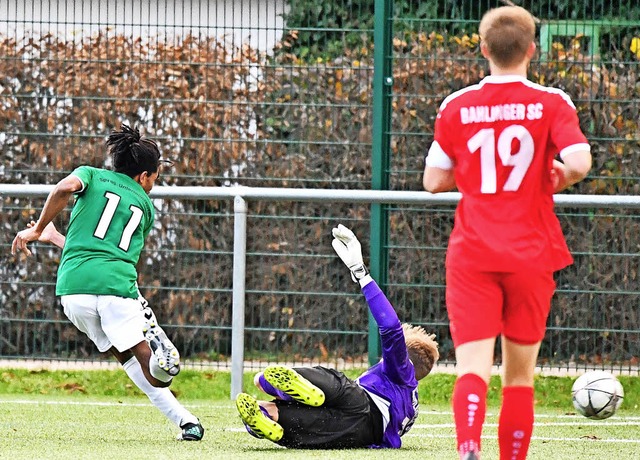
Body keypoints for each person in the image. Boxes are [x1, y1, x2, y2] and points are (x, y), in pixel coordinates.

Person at [422, 6, 592, 460]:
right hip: (532, 252)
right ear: (532, 50)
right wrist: (554, 175)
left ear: (483, 49)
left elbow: (433, 180)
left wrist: (476, 173)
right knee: (519, 376)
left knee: (471, 367)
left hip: (473, 253)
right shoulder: (552, 102)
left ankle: (468, 447)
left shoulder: (456, 105)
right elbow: (578, 161)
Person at [11, 124, 204, 441]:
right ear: (143, 177)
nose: (154, 184)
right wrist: (42, 231)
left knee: (124, 357)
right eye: (155, 177)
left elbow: (63, 192)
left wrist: (43, 230)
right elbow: (111, 254)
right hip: (117, 291)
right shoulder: (144, 206)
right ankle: (162, 362)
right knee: (155, 374)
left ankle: (186, 422)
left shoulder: (90, 175)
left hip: (74, 293)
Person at [235, 224, 440, 449]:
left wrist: (361, 274)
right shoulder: (410, 405)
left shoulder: (402, 371)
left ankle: (284, 390)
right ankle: (266, 416)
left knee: (266, 379)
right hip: (356, 435)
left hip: (361, 404)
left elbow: (391, 327)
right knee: (287, 421)